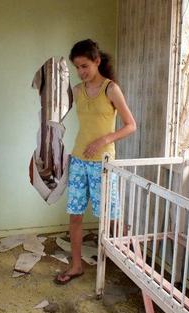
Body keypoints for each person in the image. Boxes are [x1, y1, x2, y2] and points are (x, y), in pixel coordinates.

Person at [54, 39, 137, 285]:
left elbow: (131, 125)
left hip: (103, 163)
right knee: (75, 215)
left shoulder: (111, 89)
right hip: (79, 160)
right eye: (77, 67)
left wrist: (105, 139)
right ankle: (77, 265)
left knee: (110, 217)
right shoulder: (77, 91)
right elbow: (57, 114)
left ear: (97, 61)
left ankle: (128, 262)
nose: (81, 72)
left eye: (85, 66)